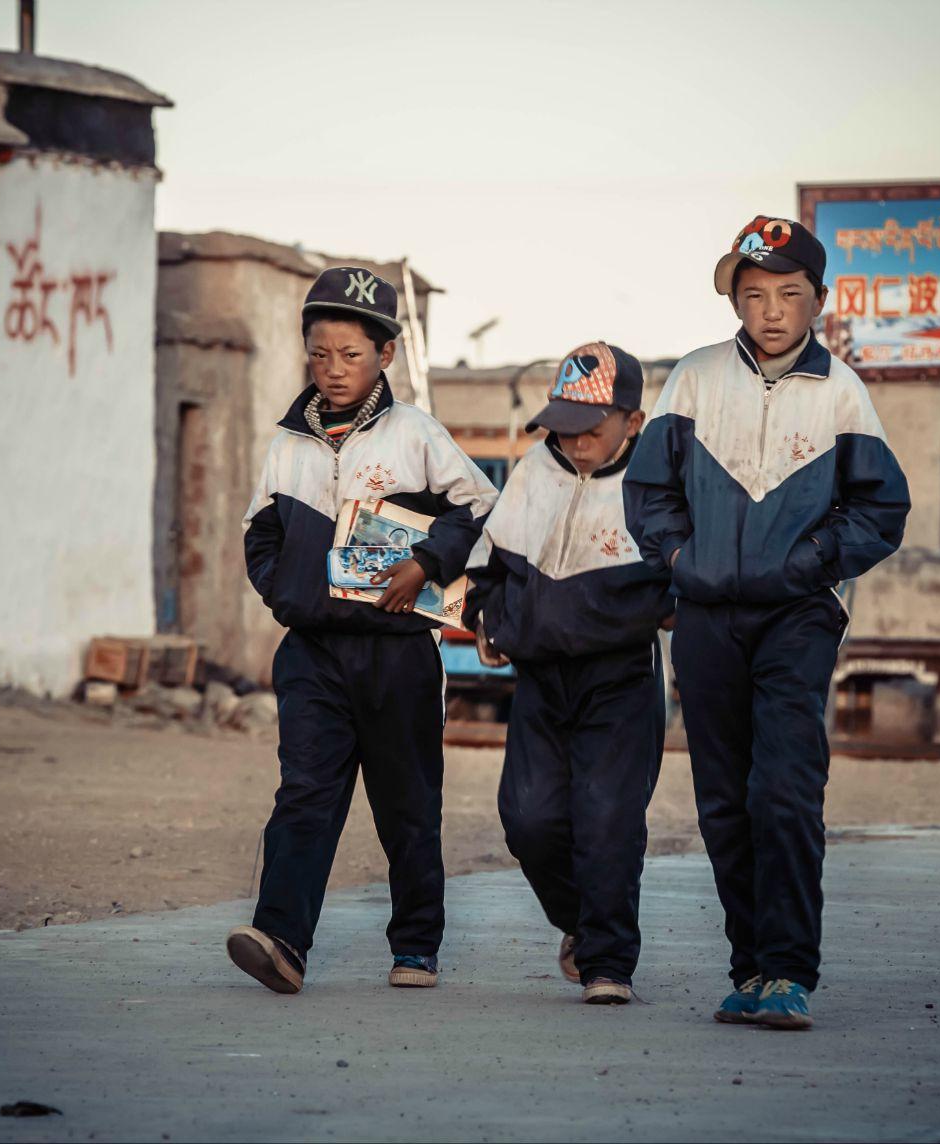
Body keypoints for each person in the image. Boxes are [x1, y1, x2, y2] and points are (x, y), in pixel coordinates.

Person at [624, 217, 910, 1029]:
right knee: (722, 799)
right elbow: (649, 495)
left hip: (799, 616)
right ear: (734, 301)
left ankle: (789, 972)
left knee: (782, 790)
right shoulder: (693, 379)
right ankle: (749, 967)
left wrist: (809, 562)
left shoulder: (842, 393)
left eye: (789, 293)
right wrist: (682, 560)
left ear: (819, 299)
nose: (772, 310)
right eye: (754, 295)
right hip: (707, 615)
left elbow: (881, 509)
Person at [227, 266, 497, 994]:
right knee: (305, 793)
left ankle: (416, 945)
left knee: (406, 805)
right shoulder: (288, 443)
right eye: (320, 353)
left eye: (351, 354)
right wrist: (287, 594)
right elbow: (260, 533)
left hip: (398, 651)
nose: (334, 369)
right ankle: (281, 939)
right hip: (313, 651)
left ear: (386, 355)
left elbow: (482, 511)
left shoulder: (416, 435)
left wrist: (425, 563)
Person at [465, 341, 674, 1005]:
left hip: (620, 679)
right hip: (540, 678)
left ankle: (608, 963)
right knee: (528, 821)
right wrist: (490, 621)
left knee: (608, 818)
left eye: (593, 429)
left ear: (631, 423)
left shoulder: (657, 487)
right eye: (564, 427)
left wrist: (670, 609)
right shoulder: (534, 472)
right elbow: (492, 563)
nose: (577, 442)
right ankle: (582, 924)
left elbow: (685, 575)